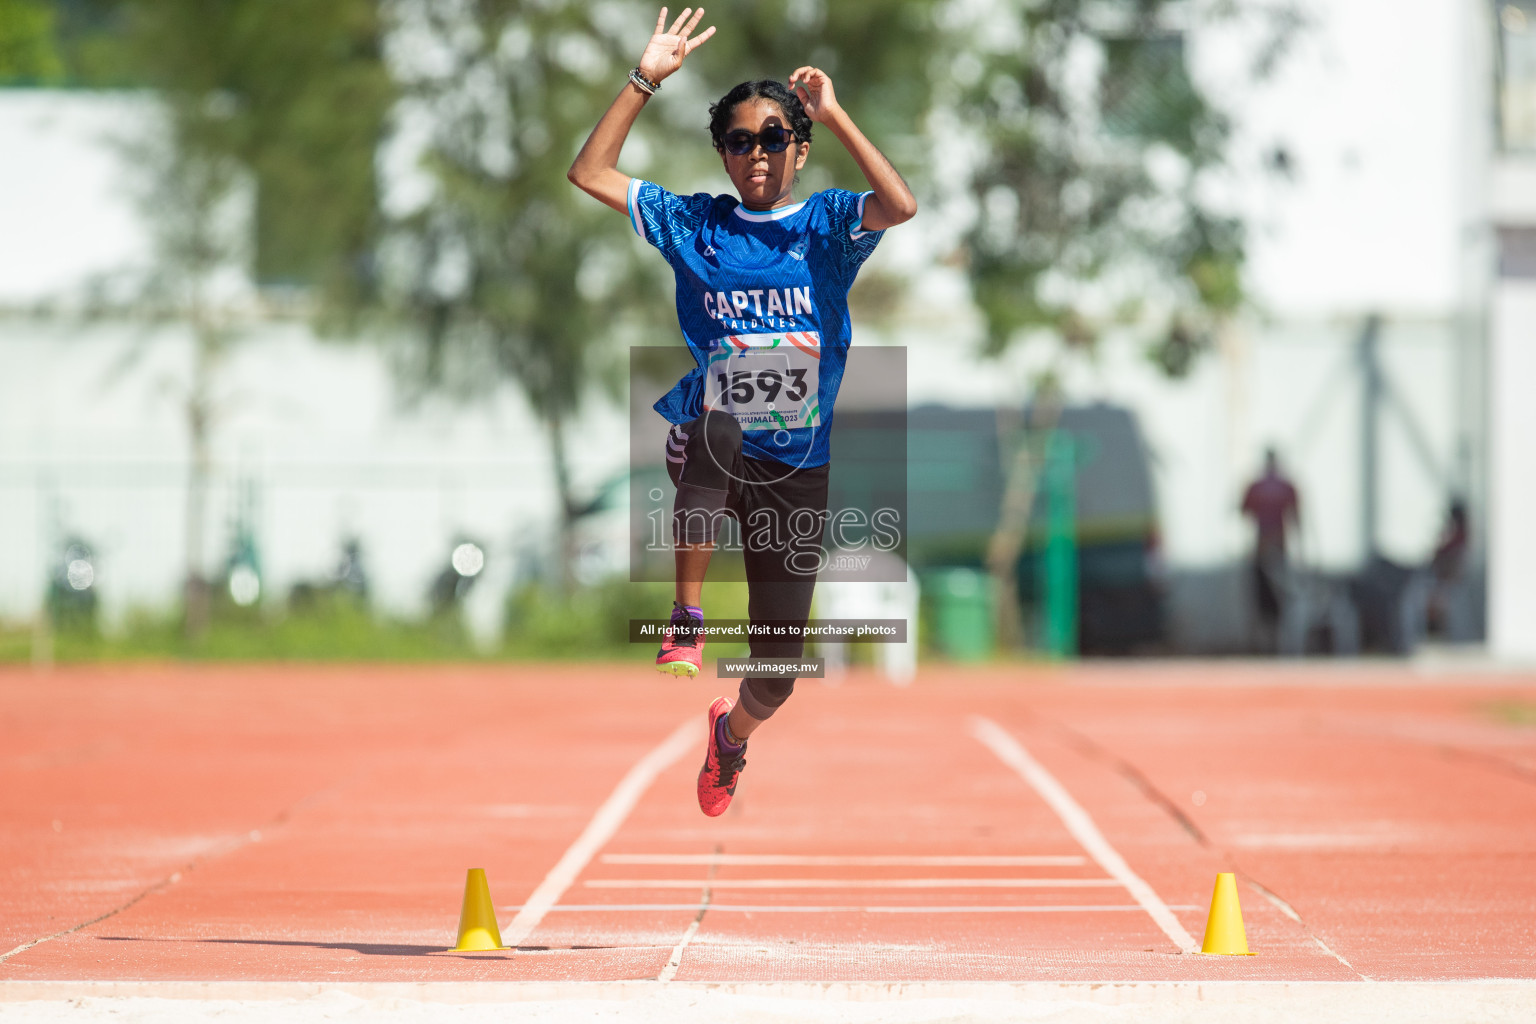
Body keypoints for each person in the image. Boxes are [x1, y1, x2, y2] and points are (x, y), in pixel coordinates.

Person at [568, 7, 916, 816]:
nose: (754, 154)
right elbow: (590, 173)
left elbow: (898, 205)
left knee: (779, 672)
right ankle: (685, 616)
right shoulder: (697, 223)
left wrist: (834, 112)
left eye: (771, 138)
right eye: (737, 140)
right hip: (717, 432)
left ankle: (732, 738)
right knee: (717, 415)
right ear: (721, 151)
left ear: (797, 148)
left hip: (799, 461)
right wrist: (644, 78)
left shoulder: (828, 224)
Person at [1239, 447, 1300, 651]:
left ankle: (1268, 642)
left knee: (1266, 598)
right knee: (1276, 598)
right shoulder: (1285, 486)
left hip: (1264, 547)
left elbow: (1243, 513)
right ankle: (1273, 642)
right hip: (1277, 546)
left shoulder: (1256, 486)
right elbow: (1296, 518)